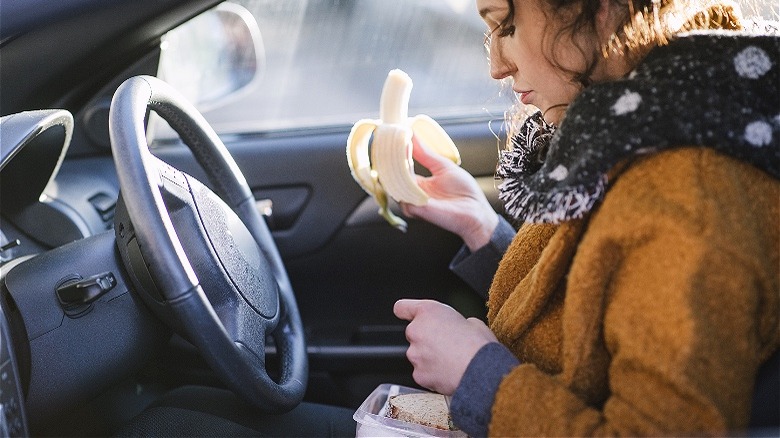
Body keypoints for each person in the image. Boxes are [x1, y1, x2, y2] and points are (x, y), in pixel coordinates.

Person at [394, 0, 780, 435]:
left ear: (602, 9)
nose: (497, 67)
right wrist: (483, 230)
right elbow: (596, 308)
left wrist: (477, 377)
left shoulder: (687, 200)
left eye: (508, 25)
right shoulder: (640, 119)